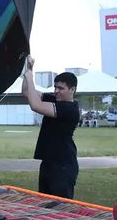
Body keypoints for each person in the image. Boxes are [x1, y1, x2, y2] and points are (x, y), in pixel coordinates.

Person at [22, 55, 80, 199]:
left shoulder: (70, 109)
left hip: (63, 166)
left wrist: (30, 78)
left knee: (61, 207)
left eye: (61, 88)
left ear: (72, 89)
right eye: (55, 87)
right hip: (48, 162)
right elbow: (26, 93)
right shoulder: (55, 100)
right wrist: (29, 69)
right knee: (44, 205)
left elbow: (35, 105)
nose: (56, 91)